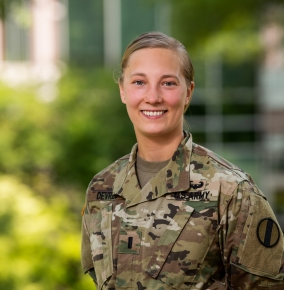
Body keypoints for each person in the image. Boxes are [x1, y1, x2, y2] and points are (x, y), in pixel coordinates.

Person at [81, 32, 284, 290]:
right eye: (139, 82)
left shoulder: (232, 192)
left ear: (188, 92)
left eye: (168, 83)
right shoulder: (102, 189)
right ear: (122, 90)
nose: (152, 97)